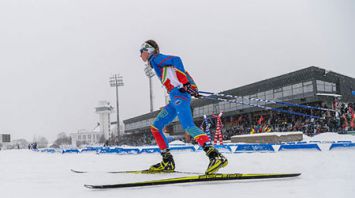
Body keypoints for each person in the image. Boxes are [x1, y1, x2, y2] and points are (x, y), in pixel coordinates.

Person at [139, 40, 228, 174]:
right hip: (174, 99)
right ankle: (167, 161)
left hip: (179, 96)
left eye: (141, 52)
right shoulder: (155, 63)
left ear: (148, 50)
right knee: (155, 128)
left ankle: (215, 156)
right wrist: (192, 88)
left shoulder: (156, 58)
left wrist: (186, 85)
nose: (140, 56)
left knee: (188, 127)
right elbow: (181, 73)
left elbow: (177, 60)